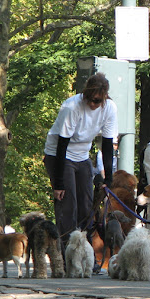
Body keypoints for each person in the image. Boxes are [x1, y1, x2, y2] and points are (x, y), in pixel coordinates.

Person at [44, 72, 118, 251]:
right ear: (85, 94)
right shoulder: (72, 106)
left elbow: (107, 145)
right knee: (68, 206)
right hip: (59, 155)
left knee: (87, 206)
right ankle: (67, 253)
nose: (93, 104)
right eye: (91, 99)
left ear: (105, 98)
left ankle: (85, 253)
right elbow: (62, 145)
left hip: (82, 156)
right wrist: (59, 183)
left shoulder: (109, 108)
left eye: (98, 101)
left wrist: (108, 179)